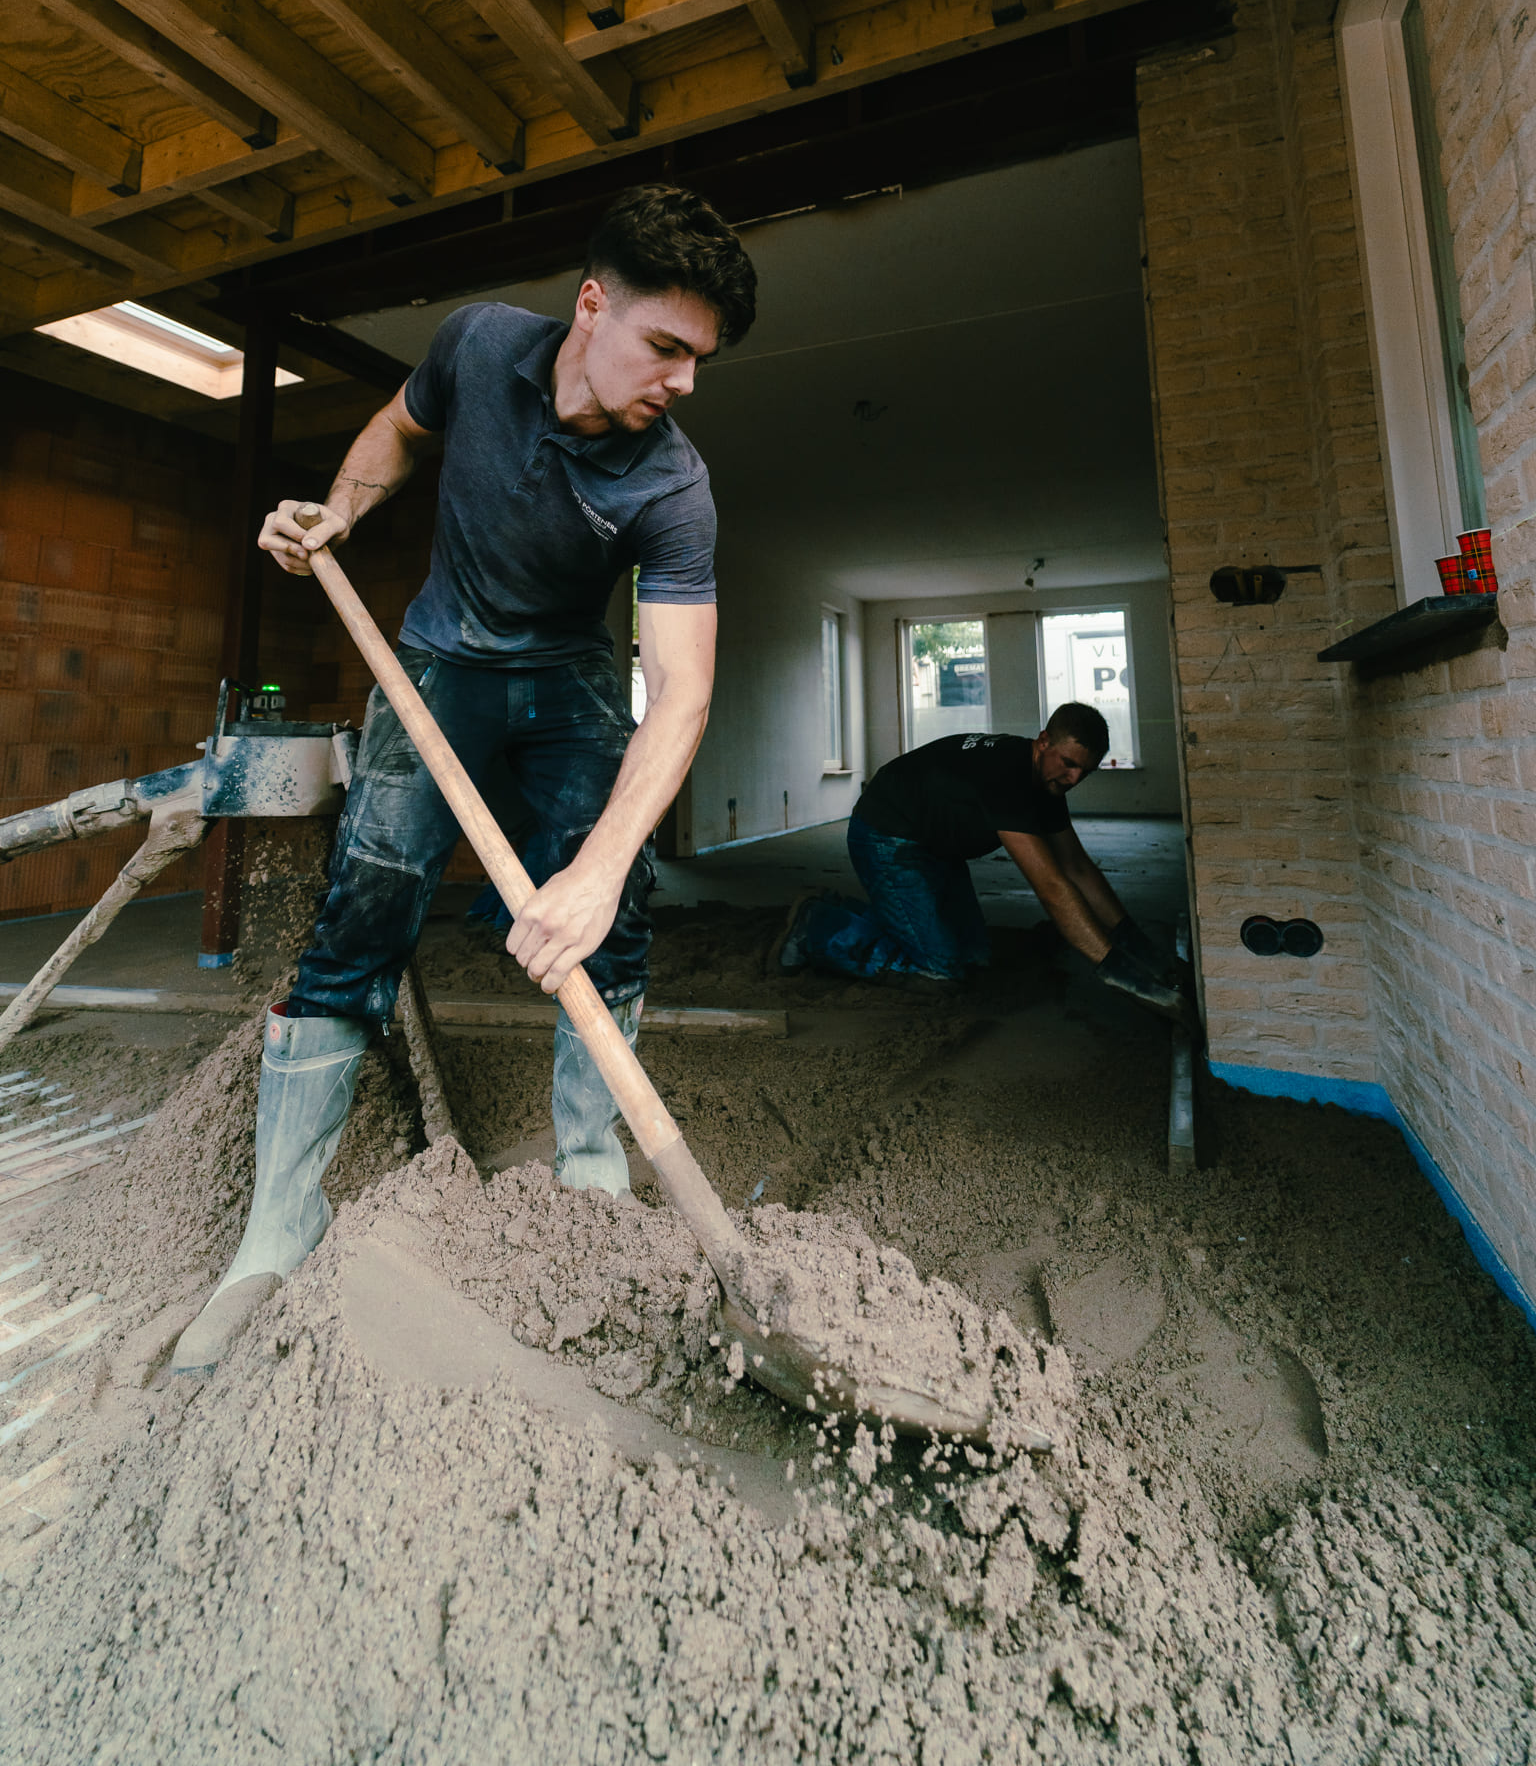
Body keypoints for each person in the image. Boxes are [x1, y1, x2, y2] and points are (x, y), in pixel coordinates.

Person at [173, 184, 758, 1371]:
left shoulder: (672, 485)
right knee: (360, 918)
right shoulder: (480, 344)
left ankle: (592, 1185)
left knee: (616, 917)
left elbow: (683, 694)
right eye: (667, 346)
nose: (685, 381)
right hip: (437, 659)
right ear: (592, 306)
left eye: (703, 359)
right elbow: (397, 430)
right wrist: (337, 512)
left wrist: (592, 876)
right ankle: (277, 1232)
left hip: (568, 679)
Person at [773, 703, 1195, 1025]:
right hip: (889, 836)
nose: (1074, 780)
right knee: (940, 971)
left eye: (1085, 771)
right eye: (1068, 764)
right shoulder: (1008, 779)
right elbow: (1051, 886)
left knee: (974, 956)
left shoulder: (1045, 783)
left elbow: (1078, 869)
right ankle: (816, 926)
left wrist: (1133, 941)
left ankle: (858, 912)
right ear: (1043, 741)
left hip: (938, 845)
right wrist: (1115, 968)